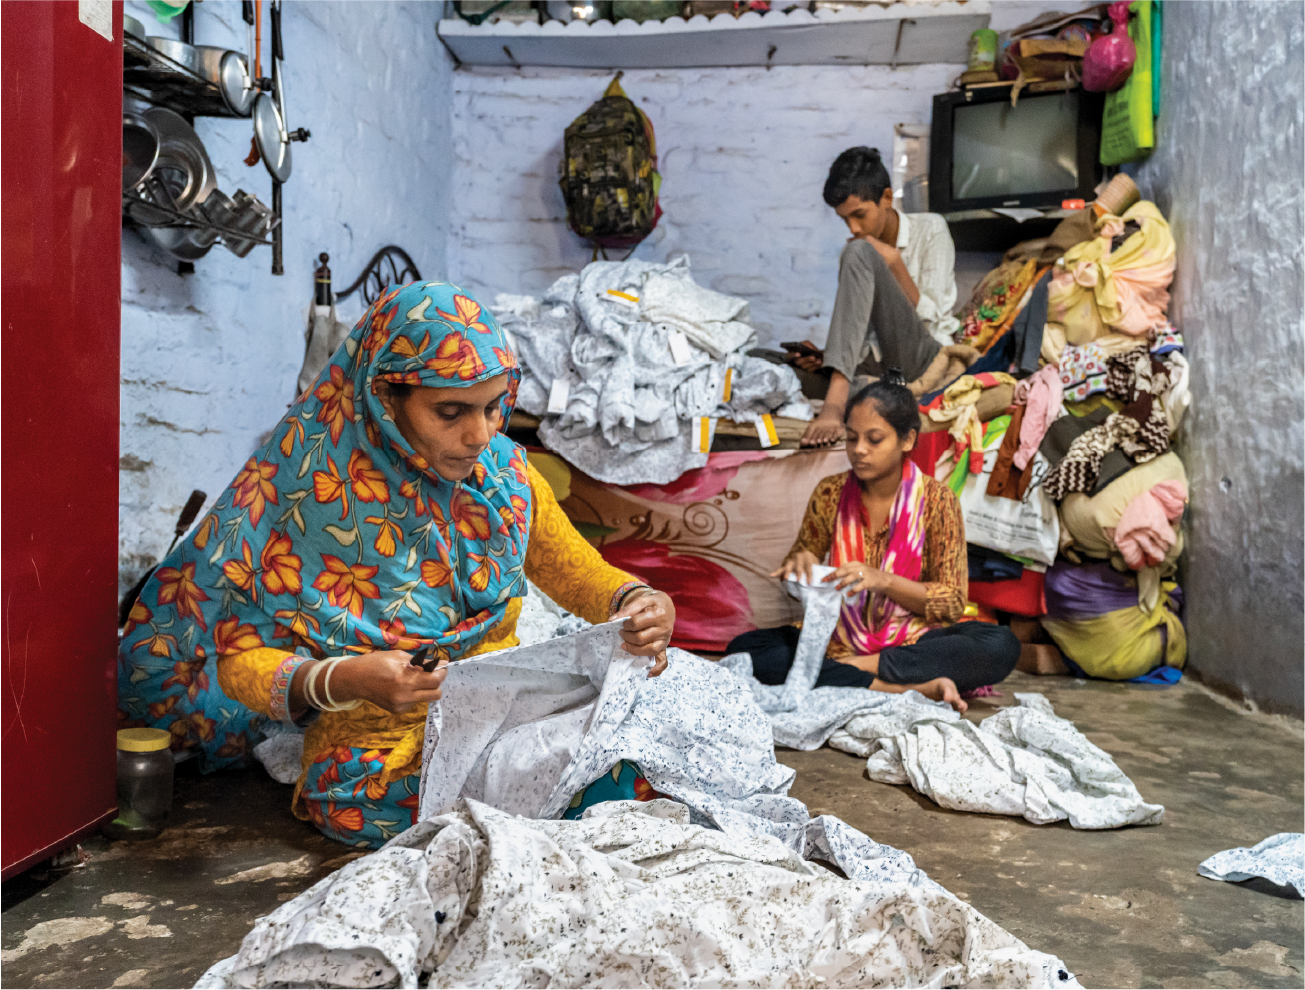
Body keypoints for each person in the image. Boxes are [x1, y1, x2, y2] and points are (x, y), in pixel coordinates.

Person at [119, 281, 676, 847]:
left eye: (493, 407)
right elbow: (226, 664)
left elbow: (576, 573)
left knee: (666, 724)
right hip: (381, 737)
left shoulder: (506, 477)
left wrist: (634, 601)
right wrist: (341, 678)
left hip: (512, 698)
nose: (479, 436)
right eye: (451, 412)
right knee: (516, 792)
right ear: (384, 397)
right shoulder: (303, 499)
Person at [725, 374, 1019, 711]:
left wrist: (882, 581)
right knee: (745, 650)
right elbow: (804, 554)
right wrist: (801, 564)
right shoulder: (830, 492)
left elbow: (952, 602)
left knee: (1000, 645)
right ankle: (907, 688)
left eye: (874, 439)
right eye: (851, 439)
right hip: (836, 637)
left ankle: (853, 673)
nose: (859, 450)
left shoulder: (938, 501)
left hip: (910, 640)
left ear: (908, 440)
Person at [787, 147, 975, 447]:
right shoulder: (856, 253)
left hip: (923, 356)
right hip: (882, 367)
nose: (854, 228)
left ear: (886, 198)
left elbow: (934, 313)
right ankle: (841, 380)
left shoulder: (930, 229)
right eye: (844, 219)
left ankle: (835, 405)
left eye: (859, 215)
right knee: (769, 364)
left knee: (858, 251)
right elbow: (860, 331)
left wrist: (894, 262)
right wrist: (828, 357)